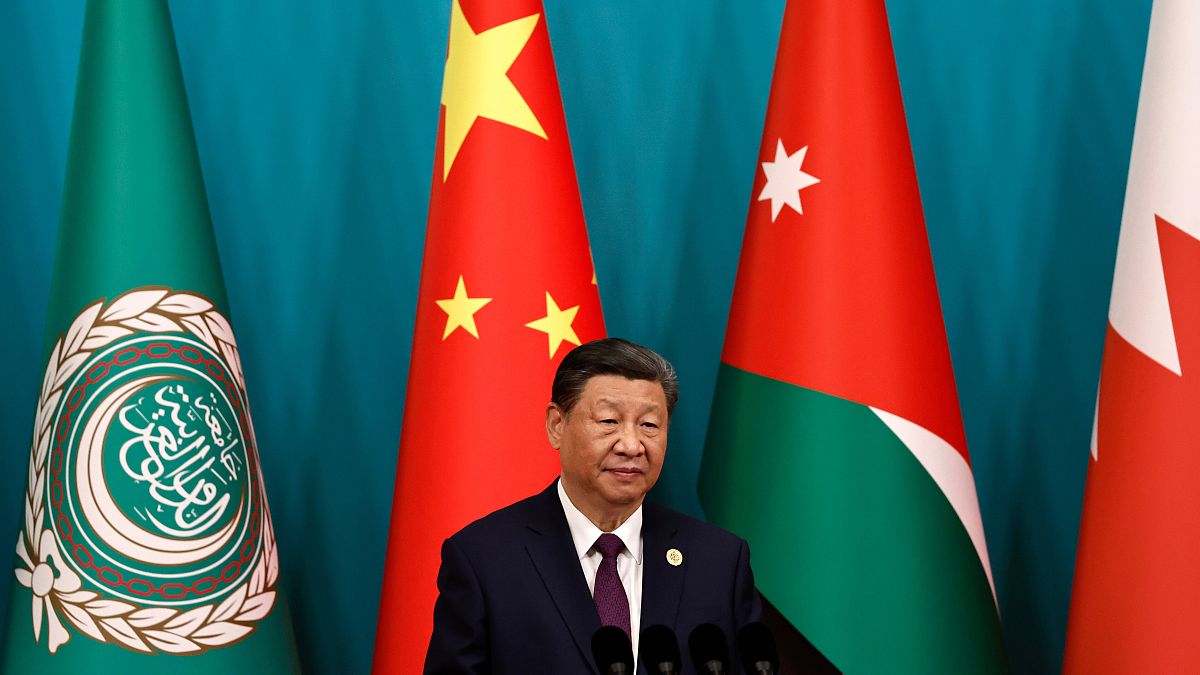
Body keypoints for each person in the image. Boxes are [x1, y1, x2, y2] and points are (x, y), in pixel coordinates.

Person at [424, 338, 762, 674]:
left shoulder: (719, 562)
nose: (631, 445)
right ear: (557, 425)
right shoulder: (485, 559)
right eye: (608, 421)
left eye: (649, 425)